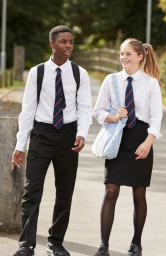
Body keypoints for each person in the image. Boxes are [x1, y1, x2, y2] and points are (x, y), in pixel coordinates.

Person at [11, 25, 94, 256]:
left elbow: (85, 108)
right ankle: (26, 245)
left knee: (65, 191)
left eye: (71, 42)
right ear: (52, 44)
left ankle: (55, 242)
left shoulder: (80, 73)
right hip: (42, 135)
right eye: (63, 42)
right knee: (32, 190)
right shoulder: (37, 72)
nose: (68, 46)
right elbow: (27, 111)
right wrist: (20, 146)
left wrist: (82, 133)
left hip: (68, 135)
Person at [93, 38, 163, 256]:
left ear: (140, 56)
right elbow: (98, 112)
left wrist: (148, 142)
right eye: (121, 54)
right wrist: (114, 117)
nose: (123, 58)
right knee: (111, 190)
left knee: (139, 193)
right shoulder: (111, 79)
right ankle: (104, 245)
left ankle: (136, 244)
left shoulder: (151, 83)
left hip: (141, 138)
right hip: (118, 138)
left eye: (128, 54)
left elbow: (157, 117)